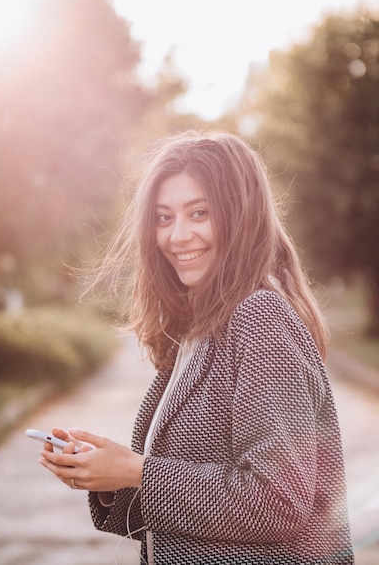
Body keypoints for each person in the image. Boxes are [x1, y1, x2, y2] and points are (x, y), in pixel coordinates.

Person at [39, 130, 354, 564]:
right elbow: (193, 505)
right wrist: (110, 477)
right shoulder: (199, 330)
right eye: (164, 218)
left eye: (199, 213)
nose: (177, 236)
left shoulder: (260, 318)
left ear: (240, 215)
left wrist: (136, 470)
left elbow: (277, 499)